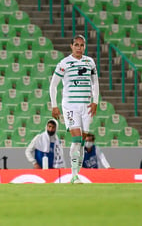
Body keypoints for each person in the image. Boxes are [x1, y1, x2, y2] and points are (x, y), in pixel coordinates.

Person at [49, 34, 99, 184]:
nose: (79, 48)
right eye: (76, 45)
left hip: (86, 106)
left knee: (82, 142)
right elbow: (53, 85)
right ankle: (74, 175)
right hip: (70, 105)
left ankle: (76, 174)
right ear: (71, 46)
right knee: (76, 139)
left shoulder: (90, 62)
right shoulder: (64, 63)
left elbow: (95, 83)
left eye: (82, 45)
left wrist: (95, 102)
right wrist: (54, 105)